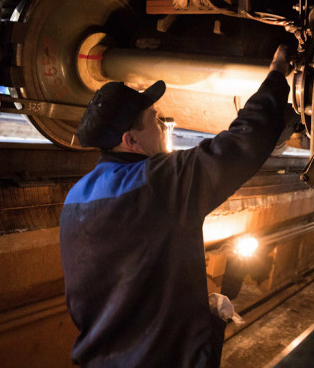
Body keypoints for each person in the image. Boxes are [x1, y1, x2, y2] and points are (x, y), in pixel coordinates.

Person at [59, 45, 292, 368]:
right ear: (131, 140)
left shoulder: (75, 198)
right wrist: (277, 75)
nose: (162, 126)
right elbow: (242, 143)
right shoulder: (159, 182)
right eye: (154, 121)